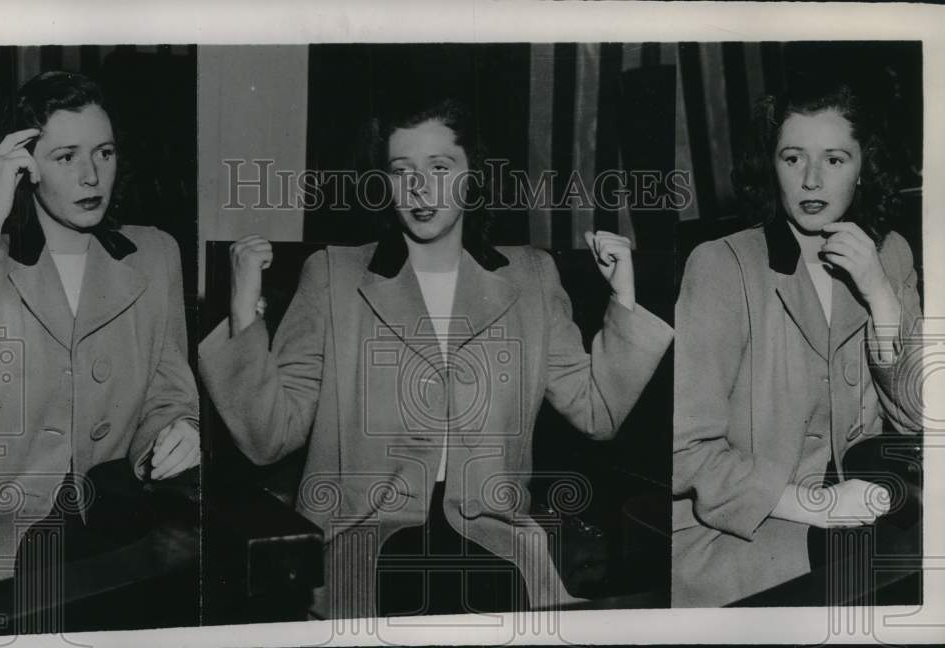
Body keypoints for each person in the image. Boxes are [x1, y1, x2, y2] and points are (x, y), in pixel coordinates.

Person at [199, 98, 672, 619]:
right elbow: (268, 437)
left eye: (440, 168)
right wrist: (244, 309)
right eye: (402, 172)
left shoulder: (532, 278)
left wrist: (623, 296)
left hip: (493, 537)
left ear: (474, 177)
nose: (420, 189)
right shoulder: (333, 276)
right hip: (366, 540)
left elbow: (597, 412)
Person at [671, 80, 923, 607]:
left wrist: (880, 296)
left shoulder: (891, 254)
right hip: (748, 534)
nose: (812, 179)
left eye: (834, 160)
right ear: (772, 166)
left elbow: (923, 423)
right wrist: (820, 506)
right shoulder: (721, 265)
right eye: (793, 158)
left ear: (863, 167)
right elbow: (685, 451)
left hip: (868, 514)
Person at [0, 71, 200, 594]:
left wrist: (176, 433)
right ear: (24, 167)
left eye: (104, 154)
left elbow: (167, 393)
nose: (91, 177)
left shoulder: (155, 255)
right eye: (66, 157)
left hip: (112, 541)